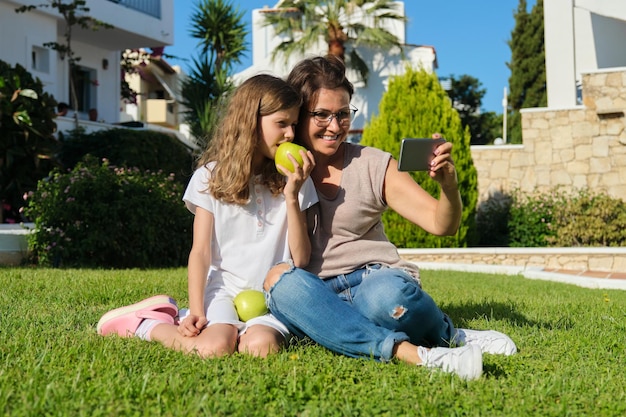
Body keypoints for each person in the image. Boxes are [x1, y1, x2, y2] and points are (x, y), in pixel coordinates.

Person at [263, 55, 516, 380]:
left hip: (373, 281)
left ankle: (448, 335)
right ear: (298, 116)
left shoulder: (373, 164)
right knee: (282, 287)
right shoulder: (273, 169)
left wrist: (449, 188)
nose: (335, 126)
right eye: (322, 115)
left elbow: (442, 225)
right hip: (317, 291)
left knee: (384, 299)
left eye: (343, 114)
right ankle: (416, 353)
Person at [97, 74, 317, 358]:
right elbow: (200, 252)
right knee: (213, 348)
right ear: (250, 121)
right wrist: (198, 311)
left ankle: (237, 331)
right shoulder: (210, 177)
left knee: (261, 348)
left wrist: (291, 195)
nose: (290, 134)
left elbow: (300, 260)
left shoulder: (297, 178)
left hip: (273, 295)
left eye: (294, 125)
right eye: (281, 124)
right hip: (223, 291)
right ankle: (147, 324)